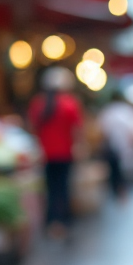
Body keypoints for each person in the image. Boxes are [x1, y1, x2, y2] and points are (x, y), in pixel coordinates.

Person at [28, 67, 83, 237]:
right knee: (64, 187)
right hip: (65, 153)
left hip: (45, 154)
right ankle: (63, 221)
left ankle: (51, 221)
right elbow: (77, 130)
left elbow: (32, 128)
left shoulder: (38, 103)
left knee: (49, 188)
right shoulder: (70, 103)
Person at [97, 92, 133, 199]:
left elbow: (102, 131)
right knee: (127, 171)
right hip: (126, 147)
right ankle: (125, 192)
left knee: (115, 172)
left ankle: (118, 192)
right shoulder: (127, 111)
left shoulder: (107, 111)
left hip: (113, 147)